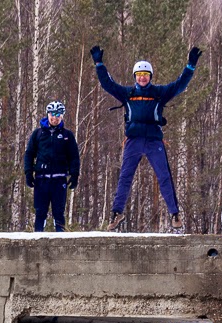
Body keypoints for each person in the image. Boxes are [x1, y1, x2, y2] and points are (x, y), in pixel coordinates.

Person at [90, 44, 201, 232]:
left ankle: (175, 214)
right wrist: (99, 64)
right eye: (139, 75)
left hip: (153, 141)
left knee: (164, 176)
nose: (142, 78)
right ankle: (117, 213)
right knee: (125, 177)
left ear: (150, 77)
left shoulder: (159, 93)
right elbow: (107, 84)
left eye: (146, 75)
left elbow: (180, 85)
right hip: (133, 140)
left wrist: (190, 66)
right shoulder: (128, 94)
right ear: (135, 77)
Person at [23, 101, 81, 232]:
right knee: (40, 212)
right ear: (48, 114)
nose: (55, 118)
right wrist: (28, 172)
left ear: (62, 116)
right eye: (52, 114)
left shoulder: (67, 135)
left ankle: (61, 241)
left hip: (59, 179)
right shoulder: (38, 134)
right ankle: (38, 238)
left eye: (58, 115)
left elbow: (74, 156)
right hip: (41, 179)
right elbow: (29, 154)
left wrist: (74, 174)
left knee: (59, 212)